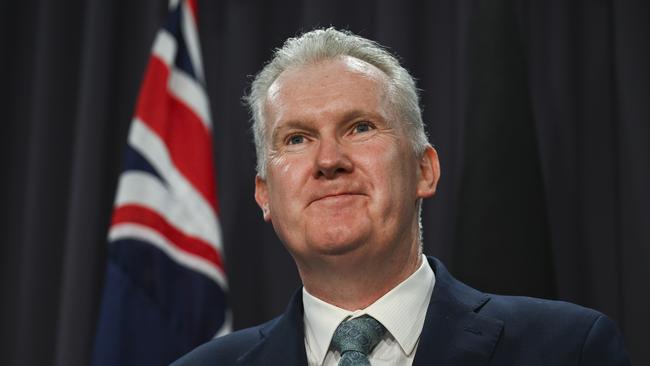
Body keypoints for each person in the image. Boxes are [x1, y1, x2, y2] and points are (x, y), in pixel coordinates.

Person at [173, 28, 630, 366]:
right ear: (265, 195)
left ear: (423, 170)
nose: (328, 160)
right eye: (296, 139)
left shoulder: (569, 348)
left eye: (361, 127)